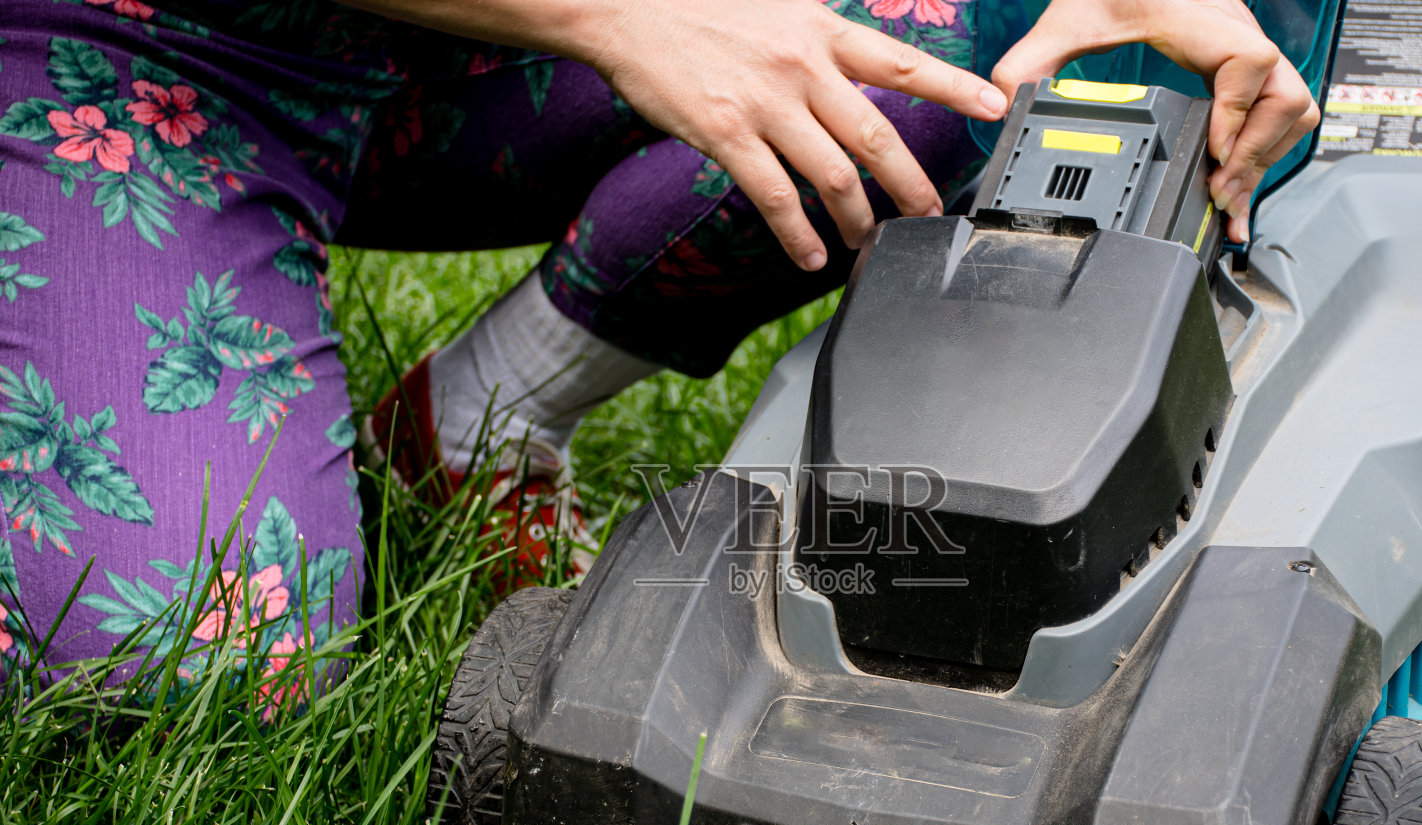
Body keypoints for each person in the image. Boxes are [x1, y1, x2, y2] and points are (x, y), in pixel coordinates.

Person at [0, 0, 1317, 690]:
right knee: (186, 666)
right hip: (139, 52)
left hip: (453, 55)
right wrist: (624, 14)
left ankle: (475, 423)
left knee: (905, 77)